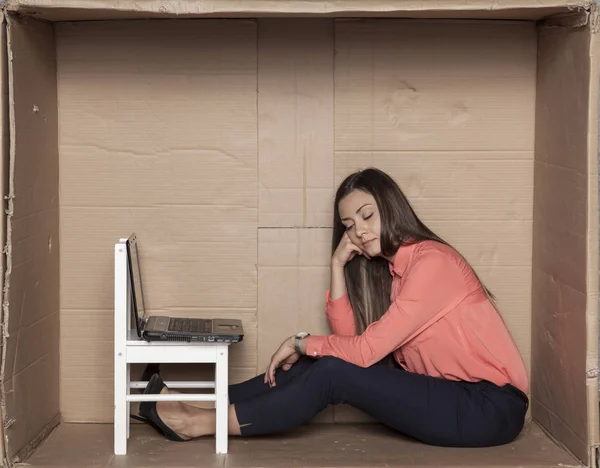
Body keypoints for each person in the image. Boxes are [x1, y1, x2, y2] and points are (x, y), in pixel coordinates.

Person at [136, 167, 529, 448]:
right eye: (348, 223)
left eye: (367, 215)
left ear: (392, 207)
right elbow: (349, 346)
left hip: (489, 407)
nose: (358, 230)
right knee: (319, 365)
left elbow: (360, 355)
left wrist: (301, 341)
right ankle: (195, 399)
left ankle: (199, 422)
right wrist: (337, 265)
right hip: (452, 397)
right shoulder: (397, 274)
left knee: (326, 369)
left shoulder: (433, 264)